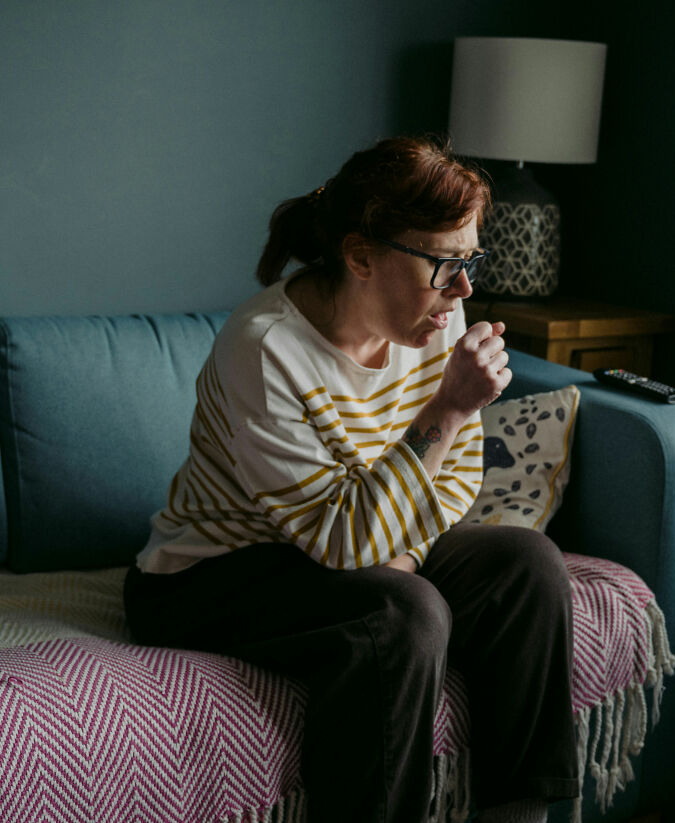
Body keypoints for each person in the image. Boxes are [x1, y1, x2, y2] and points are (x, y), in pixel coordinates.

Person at [123, 136, 579, 823]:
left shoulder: (439, 317)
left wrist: (403, 556)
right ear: (361, 255)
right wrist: (450, 406)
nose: (464, 290)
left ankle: (518, 814)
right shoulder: (267, 348)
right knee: (401, 614)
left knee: (529, 565)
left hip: (364, 543)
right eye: (444, 265)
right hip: (211, 575)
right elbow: (338, 542)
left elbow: (454, 483)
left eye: (470, 261)